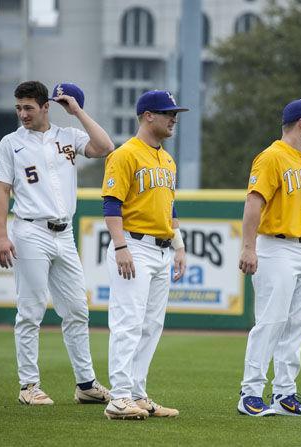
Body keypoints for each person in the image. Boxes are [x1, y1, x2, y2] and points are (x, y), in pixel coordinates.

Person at [0, 81, 114, 405]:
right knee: (30, 310)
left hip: (64, 234)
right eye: (19, 107)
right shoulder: (11, 143)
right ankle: (28, 386)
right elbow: (1, 190)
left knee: (77, 309)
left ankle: (86, 384)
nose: (22, 113)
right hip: (30, 230)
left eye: (29, 107)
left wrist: (77, 112)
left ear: (46, 107)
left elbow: (105, 147)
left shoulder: (69, 136)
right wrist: (1, 236)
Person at [237, 99, 301, 417]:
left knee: (297, 325)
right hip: (275, 248)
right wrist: (248, 247)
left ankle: (284, 393)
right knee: (271, 322)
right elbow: (253, 202)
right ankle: (250, 393)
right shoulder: (272, 156)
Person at [100, 90, 188, 420]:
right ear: (148, 115)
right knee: (128, 323)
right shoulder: (125, 155)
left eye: (174, 113)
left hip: (162, 248)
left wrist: (179, 246)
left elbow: (170, 205)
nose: (173, 118)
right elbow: (111, 203)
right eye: (168, 113)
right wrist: (121, 246)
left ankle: (137, 393)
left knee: (151, 325)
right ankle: (119, 397)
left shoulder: (167, 159)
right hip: (134, 246)